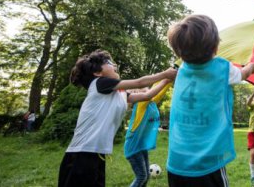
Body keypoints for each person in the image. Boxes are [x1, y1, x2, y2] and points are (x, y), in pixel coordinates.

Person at [58, 49, 177, 187]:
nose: (114, 65)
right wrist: (164, 74)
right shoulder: (99, 83)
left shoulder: (118, 92)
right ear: (97, 73)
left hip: (97, 154)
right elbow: (140, 83)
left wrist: (166, 80)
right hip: (80, 156)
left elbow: (147, 96)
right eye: (108, 62)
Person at [166, 14, 254, 187]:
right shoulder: (223, 68)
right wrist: (251, 66)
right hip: (207, 162)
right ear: (215, 47)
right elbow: (244, 73)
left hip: (177, 162)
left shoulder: (183, 69)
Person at [124, 79, 172, 187]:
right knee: (141, 176)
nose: (149, 87)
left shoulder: (151, 103)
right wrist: (167, 78)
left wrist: (169, 79)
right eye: (145, 87)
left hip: (140, 146)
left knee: (145, 177)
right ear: (138, 93)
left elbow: (159, 92)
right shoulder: (141, 104)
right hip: (133, 147)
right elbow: (151, 93)